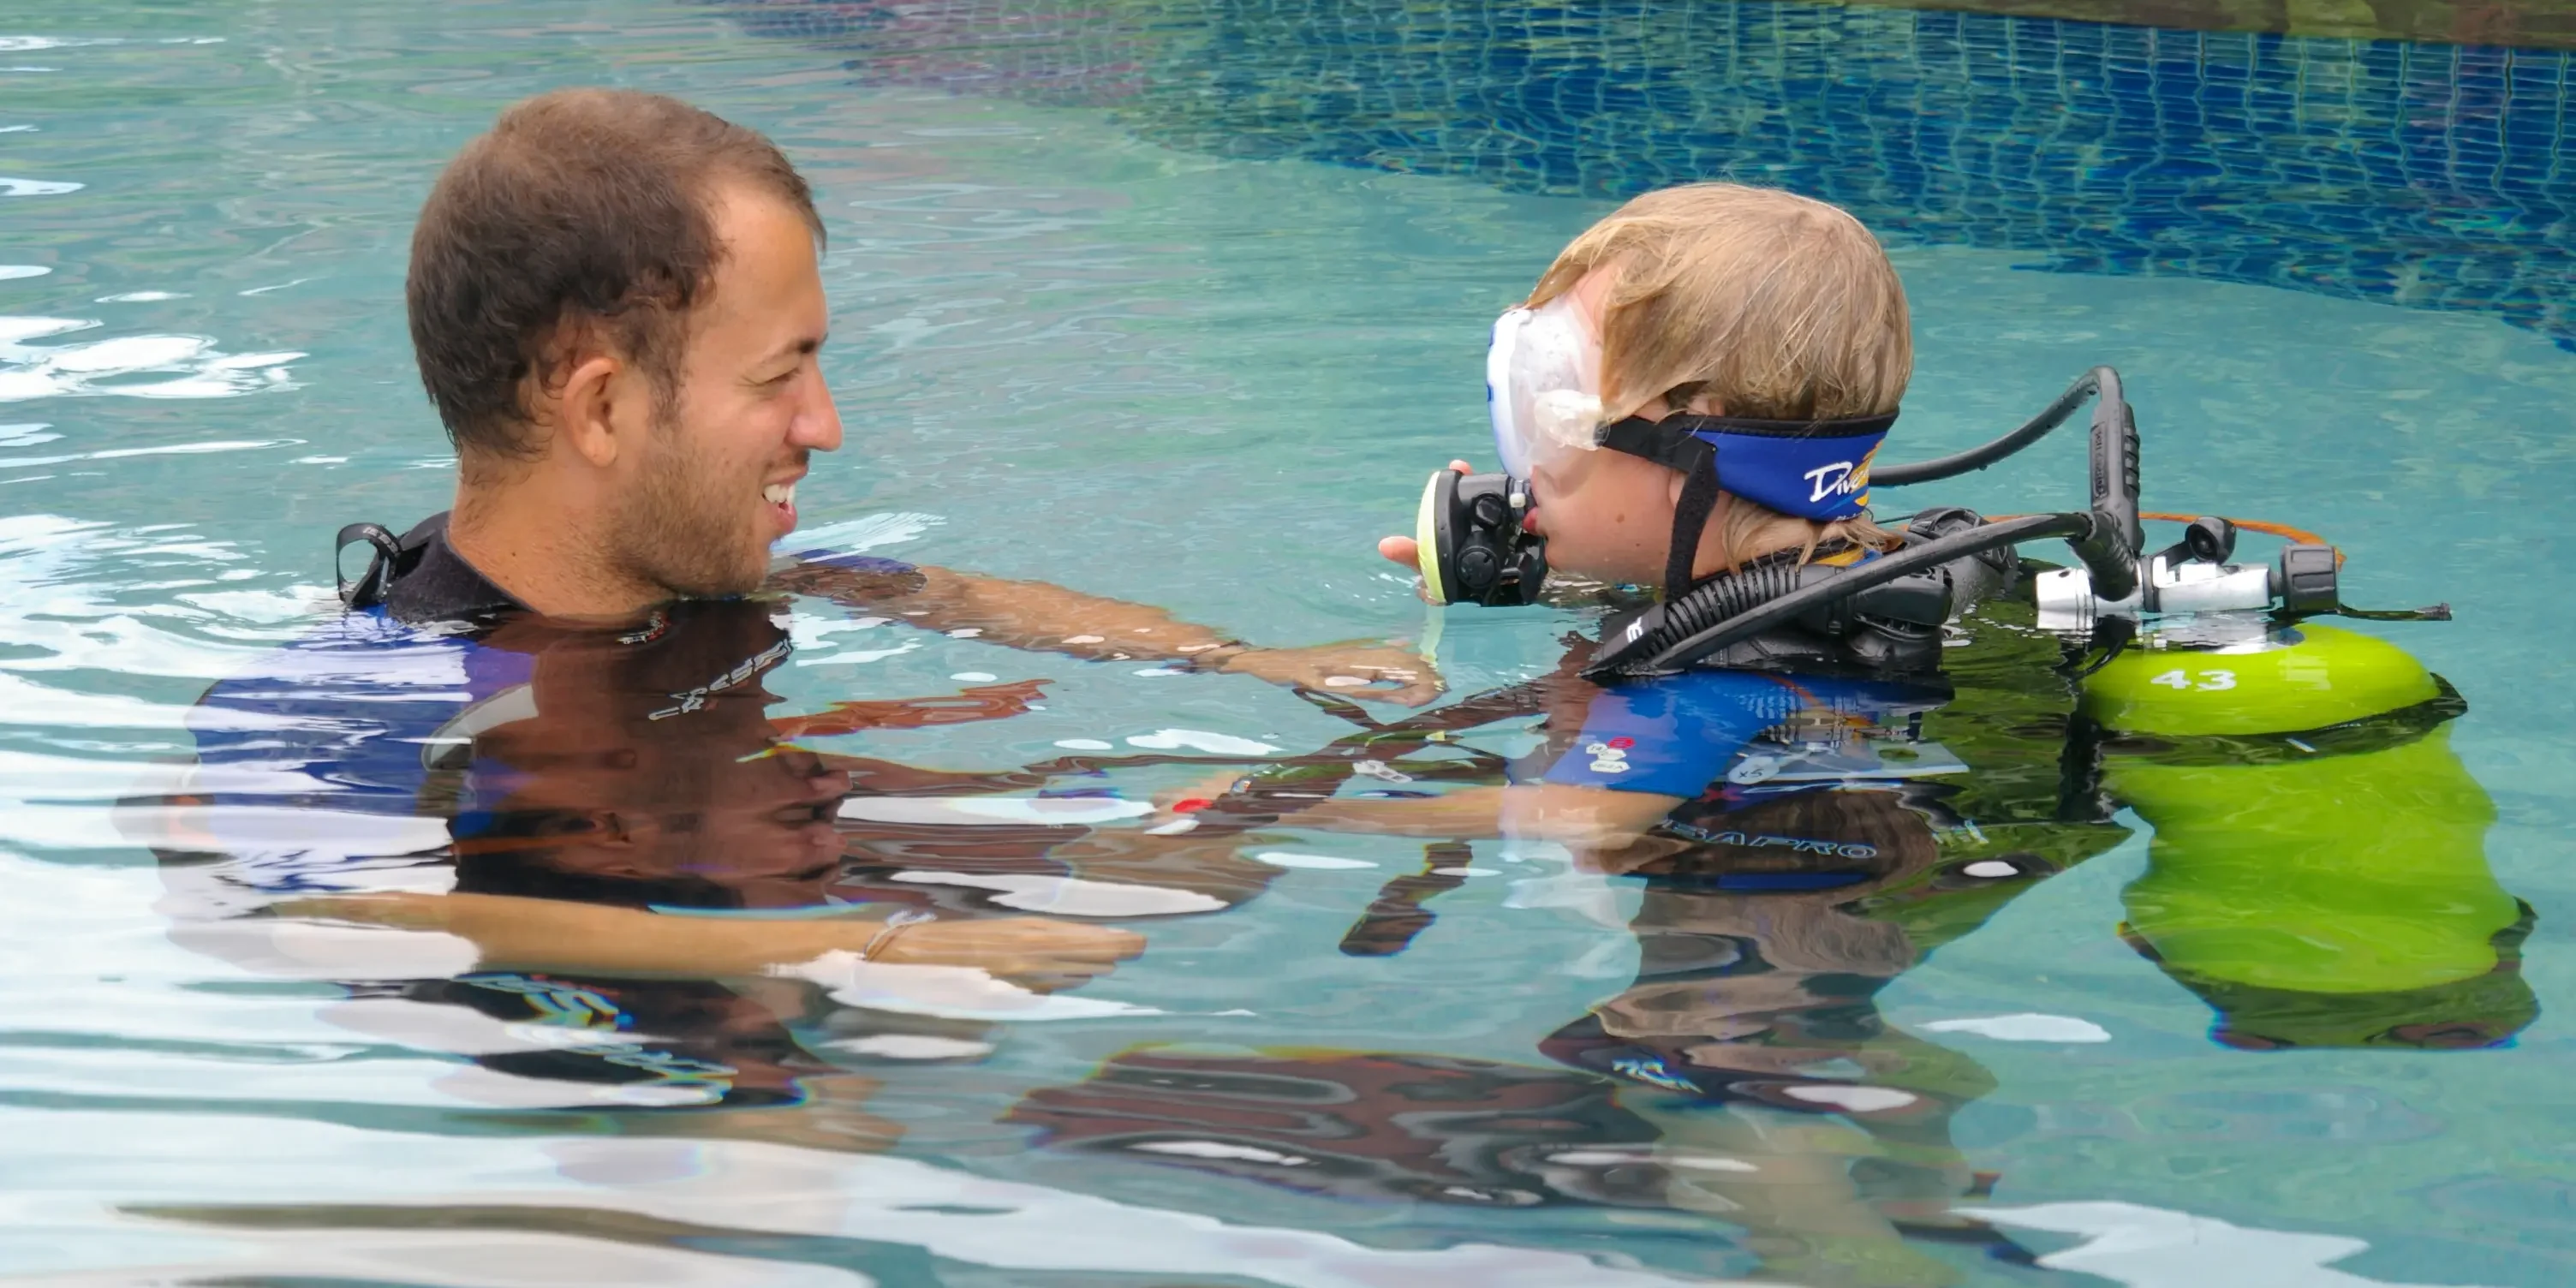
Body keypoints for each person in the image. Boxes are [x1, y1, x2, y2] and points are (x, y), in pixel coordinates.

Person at [1136, 182, 2529, 1285]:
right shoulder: (1871, 564)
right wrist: (1565, 568)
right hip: (1901, 858)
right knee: (1843, 1043)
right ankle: (1925, 1180)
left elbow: (1583, 821)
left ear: (1682, 433)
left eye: (1548, 415)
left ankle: (1858, 1253)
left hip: (1753, 927)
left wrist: (1278, 812)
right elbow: (1719, 571)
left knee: (1729, 1112)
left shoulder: (1704, 672)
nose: (1515, 463)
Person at [155, 86, 1441, 983]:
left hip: (769, 871)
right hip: (629, 1041)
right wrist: (850, 947)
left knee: (1243, 856)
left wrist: (1240, 664)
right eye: (780, 375)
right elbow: (274, 899)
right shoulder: (387, 683)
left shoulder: (693, 569)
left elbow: (933, 589)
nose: (822, 426)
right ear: (601, 406)